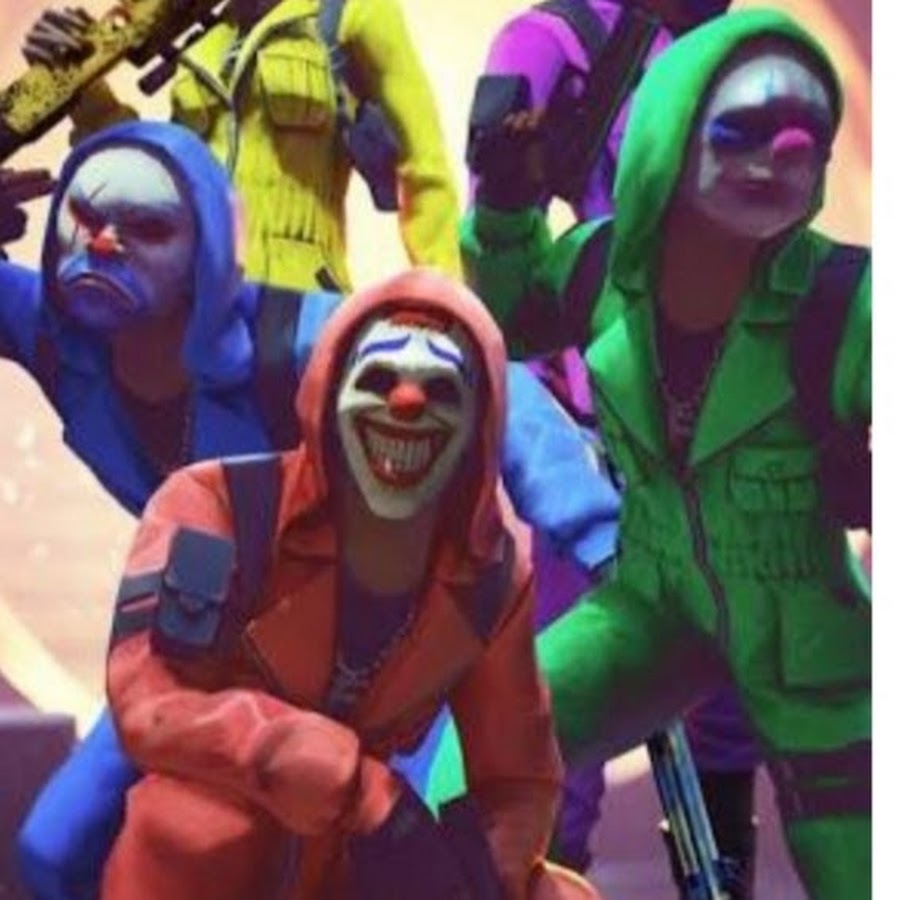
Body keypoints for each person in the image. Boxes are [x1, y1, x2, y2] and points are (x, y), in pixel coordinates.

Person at [0, 121, 620, 900]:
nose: (103, 245)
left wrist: (588, 517)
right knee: (66, 849)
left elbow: (478, 376)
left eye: (147, 227)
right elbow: (154, 696)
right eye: (85, 219)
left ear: (206, 245)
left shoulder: (286, 336)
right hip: (219, 658)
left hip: (374, 653)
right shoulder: (65, 346)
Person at [431, 10, 871, 899]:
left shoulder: (840, 297)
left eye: (805, 135)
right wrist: (506, 210)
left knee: (852, 851)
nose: (779, 157)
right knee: (476, 761)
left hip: (801, 624)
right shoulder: (603, 270)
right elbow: (509, 316)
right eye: (744, 132)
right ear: (673, 138)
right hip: (652, 590)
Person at [100, 267, 601, 900]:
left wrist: (484, 874)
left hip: (345, 873)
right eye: (379, 380)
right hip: (191, 869)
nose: (407, 404)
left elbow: (516, 779)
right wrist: (353, 786)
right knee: (196, 826)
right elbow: (151, 700)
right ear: (328, 394)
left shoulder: (490, 576)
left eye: (442, 389)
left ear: (479, 422)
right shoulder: (218, 506)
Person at [23, 0, 462, 291]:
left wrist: (447, 306)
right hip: (191, 298)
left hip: (298, 302)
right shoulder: (204, 37)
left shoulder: (350, 12)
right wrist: (80, 86)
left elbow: (423, 170)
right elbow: (156, 176)